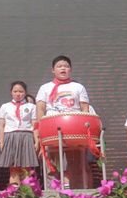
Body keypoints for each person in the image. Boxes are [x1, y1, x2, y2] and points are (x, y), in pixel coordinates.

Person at [36, 55, 90, 189]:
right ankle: (53, 192)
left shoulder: (78, 87)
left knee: (76, 162)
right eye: (59, 66)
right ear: (53, 70)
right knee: (53, 163)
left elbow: (85, 109)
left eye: (66, 66)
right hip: (52, 130)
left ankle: (78, 192)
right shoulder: (45, 87)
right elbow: (40, 109)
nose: (63, 69)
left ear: (70, 69)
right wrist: (41, 130)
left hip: (74, 129)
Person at [0, 81, 39, 186]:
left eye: (21, 91)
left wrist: (37, 140)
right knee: (13, 167)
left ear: (25, 92)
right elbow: (1, 126)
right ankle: (14, 191)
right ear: (11, 92)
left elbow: (35, 124)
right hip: (10, 136)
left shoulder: (32, 106)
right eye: (15, 91)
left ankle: (27, 191)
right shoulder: (5, 106)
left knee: (26, 167)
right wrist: (1, 142)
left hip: (26, 136)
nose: (18, 94)